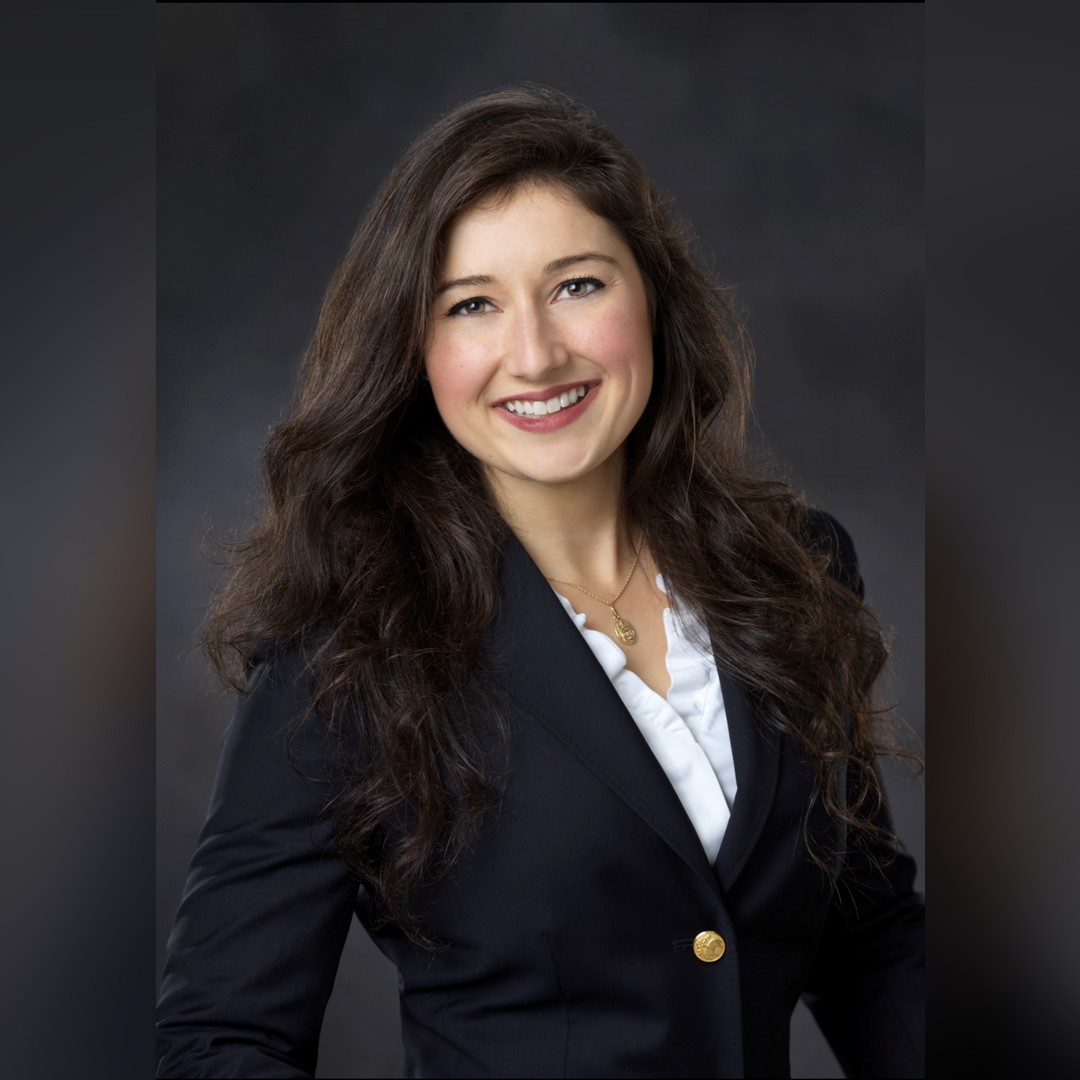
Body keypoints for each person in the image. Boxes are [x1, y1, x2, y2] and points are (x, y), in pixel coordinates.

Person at [156, 84, 924, 1079]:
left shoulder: (796, 568)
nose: (535, 354)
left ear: (651, 295)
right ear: (413, 350)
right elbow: (219, 1043)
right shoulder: (348, 650)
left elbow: (871, 944)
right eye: (472, 305)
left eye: (577, 286)